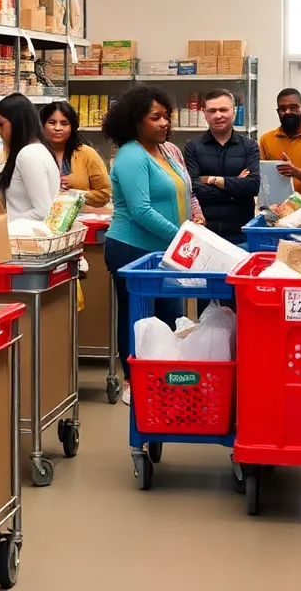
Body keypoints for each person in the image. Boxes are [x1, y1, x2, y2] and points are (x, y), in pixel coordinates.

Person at [103, 85, 191, 404]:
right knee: (137, 317)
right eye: (156, 117)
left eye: (166, 116)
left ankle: (166, 376)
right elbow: (140, 210)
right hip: (132, 248)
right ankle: (132, 381)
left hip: (165, 248)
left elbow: (182, 193)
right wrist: (182, 238)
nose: (164, 123)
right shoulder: (130, 155)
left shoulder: (166, 151)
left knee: (171, 314)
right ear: (135, 121)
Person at [184, 88, 260, 244]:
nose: (218, 115)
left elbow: (253, 185)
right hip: (203, 233)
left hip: (241, 234)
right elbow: (192, 188)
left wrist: (213, 180)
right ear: (205, 113)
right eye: (212, 111)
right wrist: (234, 189)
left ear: (234, 111)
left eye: (223, 109)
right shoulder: (192, 147)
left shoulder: (249, 146)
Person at [0, 93, 60, 222]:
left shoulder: (29, 155)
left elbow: (42, 211)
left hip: (25, 237)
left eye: (1, 124)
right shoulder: (38, 150)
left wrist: (5, 226)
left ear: (16, 122)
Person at [41, 100, 112, 207]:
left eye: (64, 123)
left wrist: (75, 194)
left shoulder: (87, 154)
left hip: (81, 220)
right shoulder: (34, 153)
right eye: (52, 123)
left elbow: (104, 193)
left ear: (72, 127)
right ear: (42, 125)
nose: (58, 128)